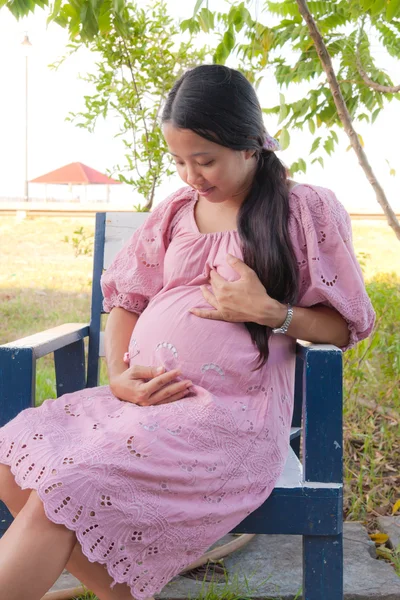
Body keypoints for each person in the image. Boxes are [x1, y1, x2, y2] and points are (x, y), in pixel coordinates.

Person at [0, 64, 375, 600]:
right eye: (179, 160)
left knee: (66, 486)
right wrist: (119, 376)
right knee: (11, 462)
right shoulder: (177, 209)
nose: (192, 175)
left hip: (226, 420)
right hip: (144, 403)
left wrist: (273, 311)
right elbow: (127, 299)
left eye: (205, 160)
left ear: (251, 145)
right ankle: (123, 591)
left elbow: (346, 326)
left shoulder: (302, 209)